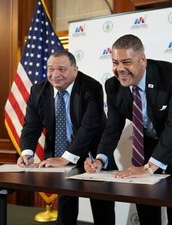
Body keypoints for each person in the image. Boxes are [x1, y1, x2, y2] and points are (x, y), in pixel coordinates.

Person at [84, 34, 172, 225]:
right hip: (150, 140)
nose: (120, 69)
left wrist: (150, 168)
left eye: (126, 62)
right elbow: (112, 128)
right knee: (145, 203)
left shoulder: (171, 74)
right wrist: (100, 159)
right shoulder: (113, 86)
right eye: (115, 62)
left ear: (142, 60)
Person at [17, 50, 116, 225]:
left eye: (62, 69)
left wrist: (66, 158)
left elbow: (89, 127)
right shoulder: (38, 90)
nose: (55, 75)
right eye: (51, 69)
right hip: (59, 154)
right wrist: (27, 152)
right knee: (66, 204)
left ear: (75, 70)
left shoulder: (91, 87)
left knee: (102, 205)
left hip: (93, 152)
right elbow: (32, 126)